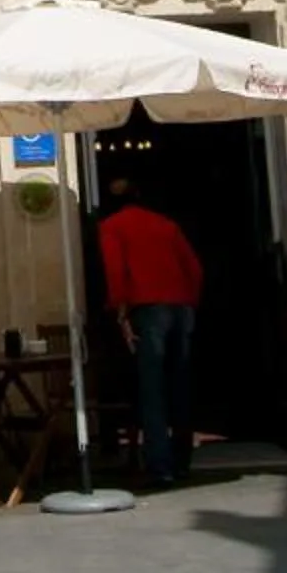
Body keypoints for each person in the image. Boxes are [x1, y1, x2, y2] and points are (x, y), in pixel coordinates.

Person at [97, 178, 202, 486]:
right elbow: (194, 268)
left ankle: (161, 465)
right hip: (181, 306)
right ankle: (183, 461)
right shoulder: (166, 225)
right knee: (180, 385)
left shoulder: (112, 226)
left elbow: (116, 274)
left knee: (152, 390)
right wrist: (189, 302)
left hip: (148, 308)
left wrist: (121, 316)